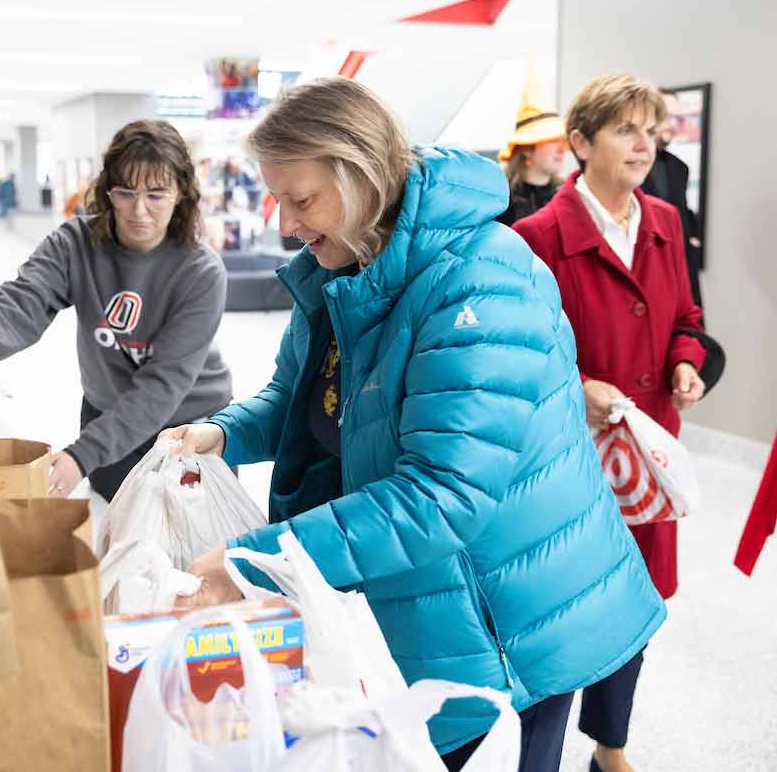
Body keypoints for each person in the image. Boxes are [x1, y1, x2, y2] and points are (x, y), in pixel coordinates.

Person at [162, 77, 665, 771]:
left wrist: (253, 561)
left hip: (516, 614)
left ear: (363, 176)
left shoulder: (480, 281)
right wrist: (219, 433)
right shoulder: (345, 265)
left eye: (301, 199)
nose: (284, 224)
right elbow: (303, 398)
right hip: (435, 598)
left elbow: (442, 496)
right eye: (278, 198)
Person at [512, 74, 707, 772]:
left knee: (636, 607)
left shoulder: (664, 222)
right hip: (567, 462)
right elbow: (516, 356)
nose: (645, 144)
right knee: (561, 620)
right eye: (627, 129)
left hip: (647, 458)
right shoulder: (535, 238)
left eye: (651, 131)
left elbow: (687, 318)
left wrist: (688, 362)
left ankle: (611, 747)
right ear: (579, 142)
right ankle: (539, 760)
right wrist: (577, 384)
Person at [0, 120, 232, 502]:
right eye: (125, 192)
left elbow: (162, 385)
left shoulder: (200, 271)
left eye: (156, 195)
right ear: (106, 192)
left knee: (190, 542)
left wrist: (82, 455)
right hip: (110, 417)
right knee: (114, 532)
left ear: (181, 194)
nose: (138, 210)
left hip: (191, 427)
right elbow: (24, 301)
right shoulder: (75, 244)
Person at [642, 91, 704, 308]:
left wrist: (693, 237)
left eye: (678, 119)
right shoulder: (628, 167)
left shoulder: (679, 168)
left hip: (680, 275)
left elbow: (682, 213)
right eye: (668, 117)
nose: (674, 125)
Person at [495, 66, 568, 226]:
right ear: (526, 148)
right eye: (551, 139)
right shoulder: (500, 204)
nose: (562, 148)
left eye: (561, 139)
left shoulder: (570, 197)